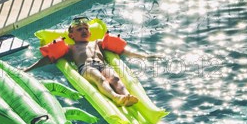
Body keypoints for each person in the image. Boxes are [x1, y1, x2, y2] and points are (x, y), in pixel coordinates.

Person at [24, 17, 160, 107]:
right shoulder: (70, 48)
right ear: (71, 35)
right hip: (86, 67)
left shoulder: (98, 42)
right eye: (79, 29)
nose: (83, 31)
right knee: (99, 78)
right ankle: (116, 97)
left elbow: (124, 51)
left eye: (86, 29)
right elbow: (48, 59)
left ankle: (126, 96)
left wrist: (145, 56)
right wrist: (27, 70)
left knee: (115, 78)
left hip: (102, 65)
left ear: (90, 32)